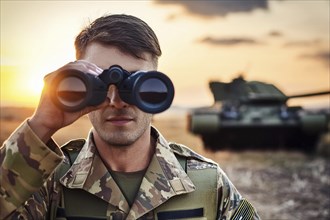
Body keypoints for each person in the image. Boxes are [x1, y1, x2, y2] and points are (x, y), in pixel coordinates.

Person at [0, 14, 260, 220]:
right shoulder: (45, 182)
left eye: (137, 84)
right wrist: (41, 125)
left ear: (155, 86)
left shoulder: (207, 182)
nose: (117, 101)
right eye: (98, 84)